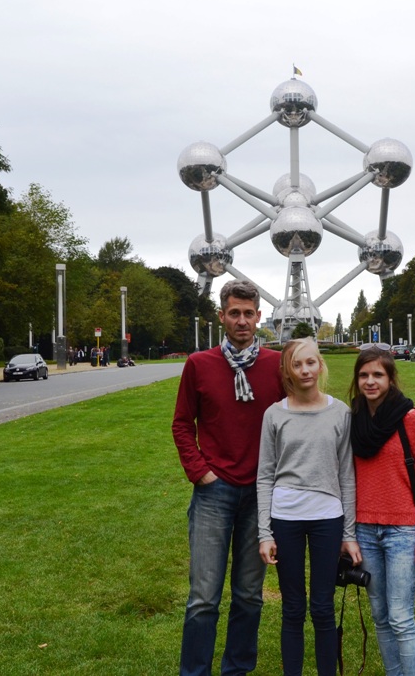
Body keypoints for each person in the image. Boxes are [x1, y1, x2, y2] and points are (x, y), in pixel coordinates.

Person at [173, 279, 285, 676]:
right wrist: (200, 473)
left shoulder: (276, 365)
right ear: (221, 316)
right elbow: (183, 424)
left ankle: (236, 670)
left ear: (259, 317)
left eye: (249, 313)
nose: (242, 321)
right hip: (214, 492)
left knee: (249, 596)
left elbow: (294, 419)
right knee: (203, 597)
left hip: (260, 494)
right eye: (234, 313)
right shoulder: (200, 365)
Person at [257, 337, 360, 675]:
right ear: (288, 371)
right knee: (293, 608)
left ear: (320, 365)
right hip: (285, 518)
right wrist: (264, 533)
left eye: (311, 362)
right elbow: (265, 476)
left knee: (322, 608)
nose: (305, 370)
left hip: (327, 520)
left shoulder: (340, 413)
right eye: (297, 364)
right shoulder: (275, 414)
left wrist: (349, 533)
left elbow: (346, 475)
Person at [348, 343, 415, 676]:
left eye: (378, 375)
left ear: (390, 378)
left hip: (403, 531)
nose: (370, 381)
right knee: (380, 616)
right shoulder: (354, 420)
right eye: (363, 375)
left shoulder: (410, 418)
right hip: (365, 530)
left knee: (401, 617)